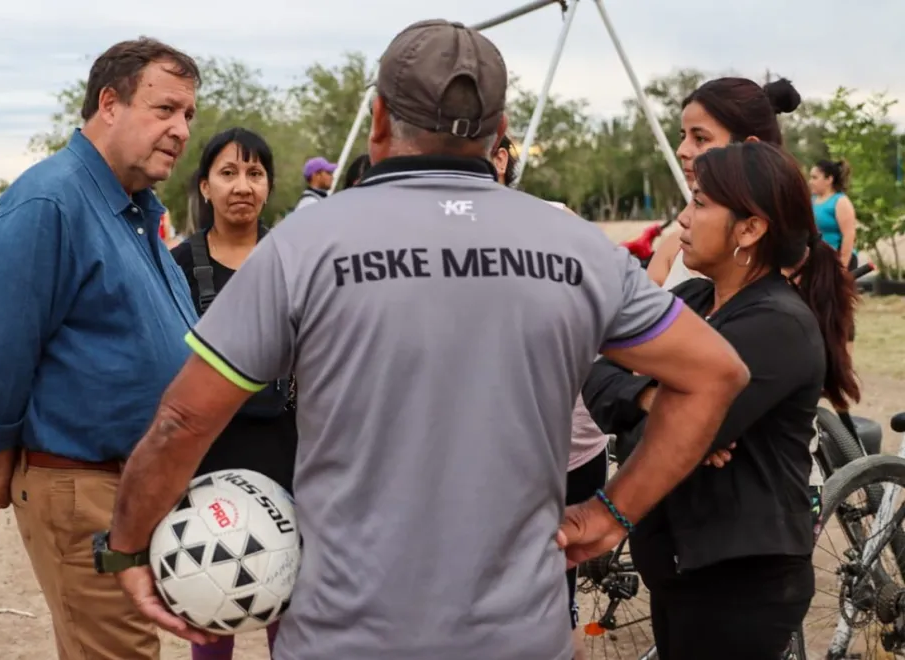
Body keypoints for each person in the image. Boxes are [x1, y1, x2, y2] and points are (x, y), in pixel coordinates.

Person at [96, 19, 749, 660]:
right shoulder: (575, 246)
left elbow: (184, 419)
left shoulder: (304, 244)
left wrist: (127, 544)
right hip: (520, 636)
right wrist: (613, 514)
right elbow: (715, 374)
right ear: (498, 131)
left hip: (346, 637)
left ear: (379, 120)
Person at [0, 38, 201, 659]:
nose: (180, 130)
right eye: (165, 109)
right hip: (82, 487)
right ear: (109, 103)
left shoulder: (134, 209)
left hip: (130, 486)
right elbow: (0, 348)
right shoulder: (51, 202)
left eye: (189, 116)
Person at [583, 141, 859, 659]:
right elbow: (595, 375)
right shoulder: (692, 301)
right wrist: (651, 397)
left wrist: (673, 421)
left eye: (700, 203)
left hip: (738, 583)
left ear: (750, 229)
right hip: (680, 568)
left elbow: (667, 438)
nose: (682, 220)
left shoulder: (775, 324)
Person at [169, 127, 298, 660]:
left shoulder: (298, 257)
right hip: (208, 458)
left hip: (289, 454)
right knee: (211, 600)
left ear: (268, 185)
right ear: (204, 188)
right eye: (227, 173)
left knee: (289, 604)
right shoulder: (176, 266)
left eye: (254, 173)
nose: (241, 185)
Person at [492, 126, 609, 655]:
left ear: (500, 158)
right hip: (487, 457)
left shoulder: (556, 223)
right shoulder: (424, 234)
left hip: (566, 449)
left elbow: (610, 320)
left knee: (551, 598)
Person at [647, 76, 802, 290]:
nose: (681, 151)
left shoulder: (787, 268)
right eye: (683, 136)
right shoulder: (675, 248)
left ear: (748, 148)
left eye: (700, 138)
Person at [809, 158, 858, 269]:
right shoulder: (812, 200)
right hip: (819, 260)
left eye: (814, 178)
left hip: (838, 261)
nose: (810, 182)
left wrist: (843, 266)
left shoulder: (840, 201)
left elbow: (849, 235)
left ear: (829, 180)